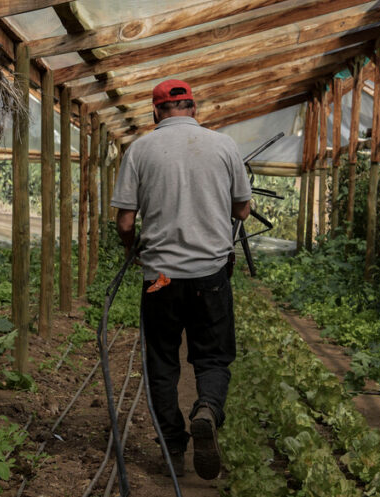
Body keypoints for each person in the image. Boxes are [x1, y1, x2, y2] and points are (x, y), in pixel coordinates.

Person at [110, 79, 251, 480]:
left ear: (155, 112)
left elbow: (124, 220)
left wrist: (130, 246)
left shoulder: (139, 150)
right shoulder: (224, 146)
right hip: (211, 276)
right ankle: (206, 407)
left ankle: (172, 445)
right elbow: (242, 211)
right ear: (194, 108)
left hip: (161, 280)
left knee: (161, 362)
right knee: (212, 356)